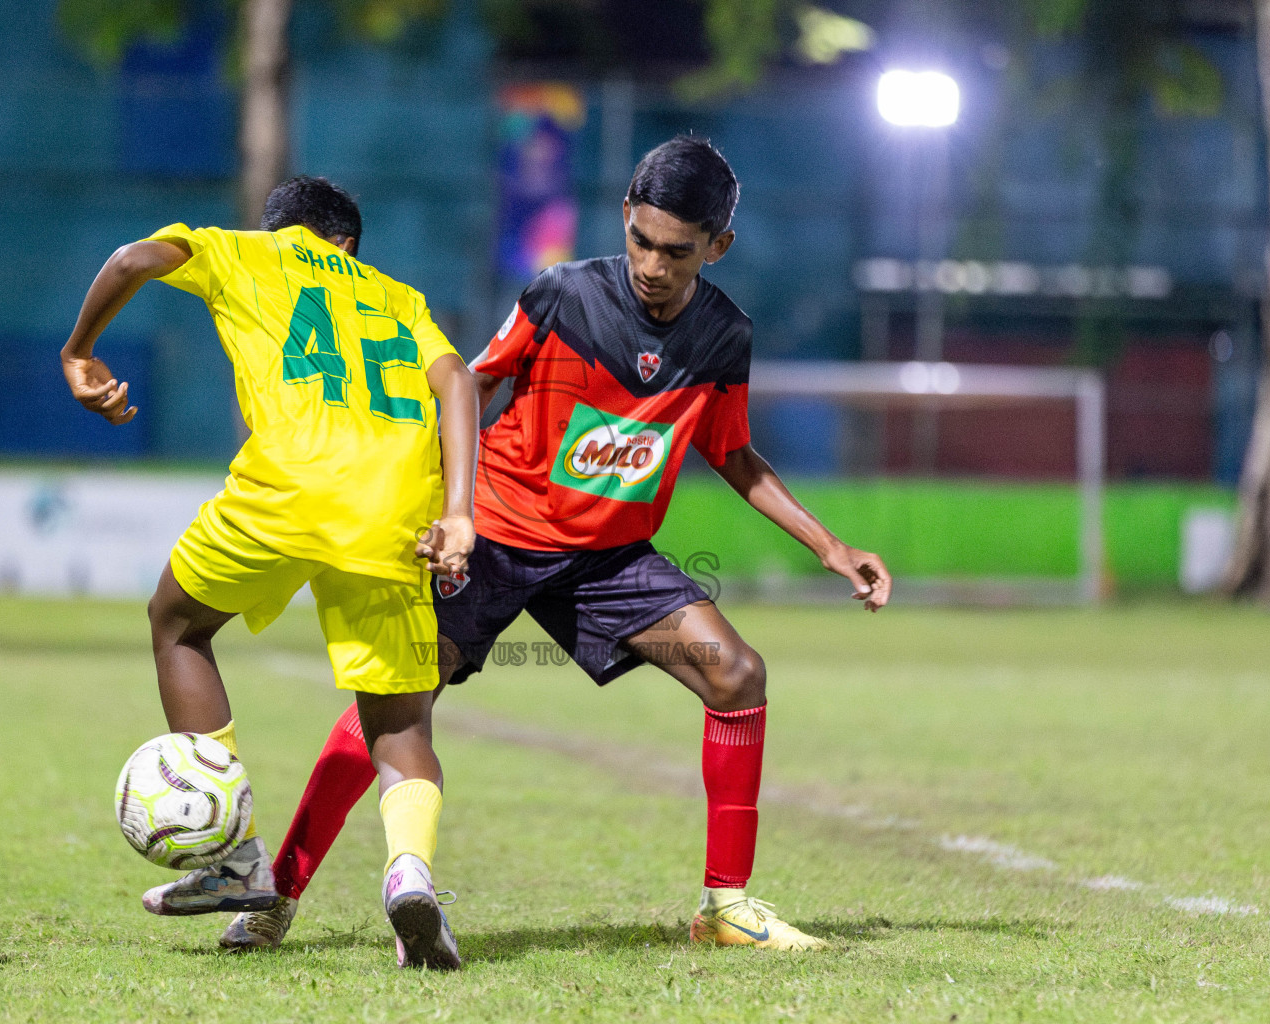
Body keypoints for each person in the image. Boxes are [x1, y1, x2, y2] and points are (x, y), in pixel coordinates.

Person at [225, 137, 893, 952]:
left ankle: (724, 907)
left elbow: (732, 452)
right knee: (390, 708)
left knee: (737, 673)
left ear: (717, 246)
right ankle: (275, 896)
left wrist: (827, 545)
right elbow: (467, 384)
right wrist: (447, 509)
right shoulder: (559, 295)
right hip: (498, 533)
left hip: (606, 559)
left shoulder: (724, 335)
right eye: (641, 240)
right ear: (624, 217)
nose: (652, 263)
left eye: (677, 252)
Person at [59, 175, 478, 970]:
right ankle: (409, 875)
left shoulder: (242, 250)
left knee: (177, 624)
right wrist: (458, 512)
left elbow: (131, 259)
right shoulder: (398, 295)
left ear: (284, 229)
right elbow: (457, 380)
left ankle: (237, 860)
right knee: (399, 723)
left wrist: (79, 351)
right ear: (347, 242)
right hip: (395, 505)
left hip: (287, 488)